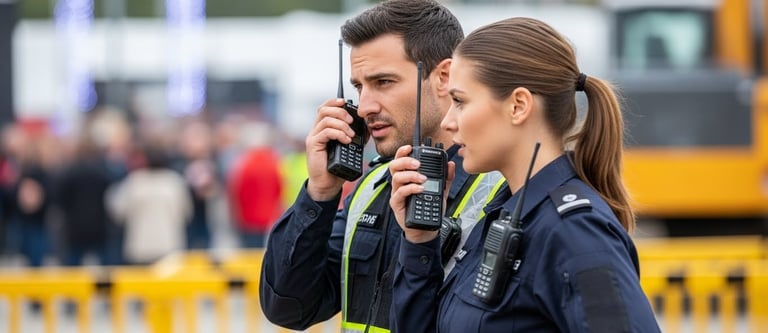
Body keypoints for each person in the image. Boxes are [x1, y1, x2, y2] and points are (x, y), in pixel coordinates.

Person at [388, 17, 661, 332]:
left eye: (460, 102)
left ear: (518, 105)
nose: (449, 122)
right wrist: (420, 240)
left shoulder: (575, 231)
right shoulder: (503, 215)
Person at [259, 1, 504, 332]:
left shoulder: (502, 189)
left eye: (384, 82)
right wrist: (320, 192)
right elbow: (288, 307)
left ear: (444, 77)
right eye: (360, 87)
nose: (365, 107)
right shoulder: (373, 184)